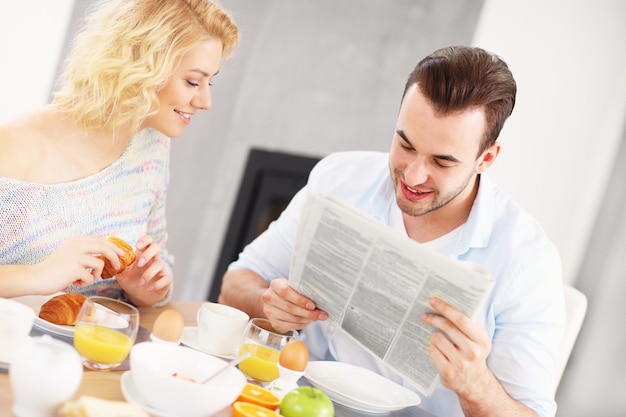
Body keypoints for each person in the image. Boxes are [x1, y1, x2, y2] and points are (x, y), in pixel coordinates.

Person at [219, 46, 566, 417]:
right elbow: (234, 284)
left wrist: (475, 384)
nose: (413, 176)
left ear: (486, 158)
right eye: (405, 144)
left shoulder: (526, 259)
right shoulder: (339, 179)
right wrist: (270, 304)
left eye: (442, 161)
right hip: (301, 403)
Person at [0, 0, 238, 307]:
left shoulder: (151, 148)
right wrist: (37, 275)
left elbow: (157, 262)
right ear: (141, 68)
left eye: (210, 81)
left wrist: (146, 289)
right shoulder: (15, 144)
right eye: (193, 81)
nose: (206, 101)